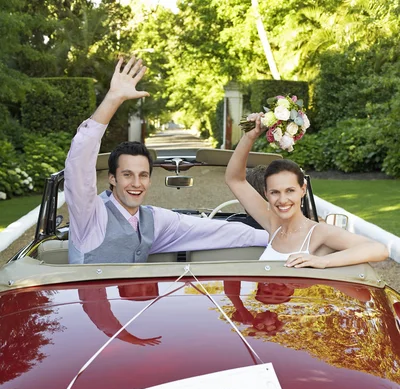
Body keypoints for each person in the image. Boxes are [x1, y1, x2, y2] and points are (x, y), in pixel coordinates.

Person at [65, 56, 269, 264]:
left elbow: (217, 231)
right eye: (127, 175)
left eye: (143, 175)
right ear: (112, 179)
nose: (136, 183)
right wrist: (113, 98)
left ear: (150, 181)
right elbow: (79, 161)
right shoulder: (89, 215)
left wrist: (283, 239)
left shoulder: (153, 220)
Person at [225, 114, 389, 268]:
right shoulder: (273, 224)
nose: (283, 200)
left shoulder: (318, 232)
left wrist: (323, 261)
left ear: (302, 189)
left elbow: (379, 250)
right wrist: (250, 136)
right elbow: (235, 179)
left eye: (290, 190)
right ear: (266, 194)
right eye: (275, 192)